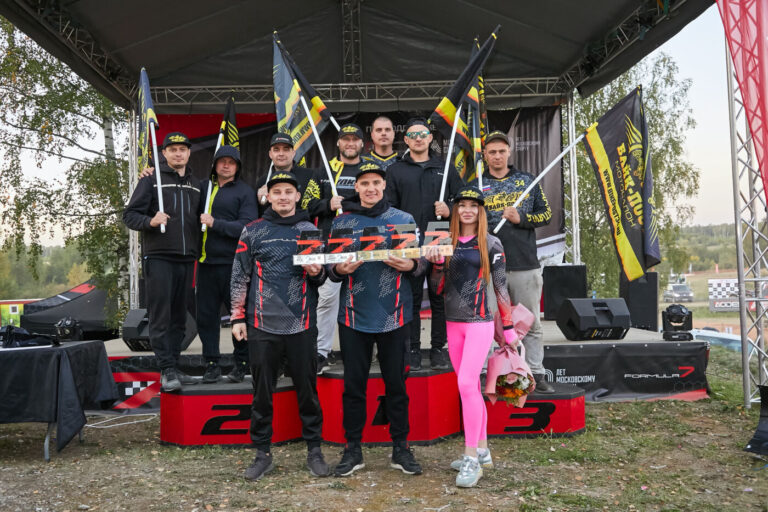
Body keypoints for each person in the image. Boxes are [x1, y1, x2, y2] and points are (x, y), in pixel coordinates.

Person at [230, 171, 330, 481]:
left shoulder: (310, 230)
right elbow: (239, 275)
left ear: (298, 196)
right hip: (261, 324)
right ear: (268, 197)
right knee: (261, 394)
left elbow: (322, 278)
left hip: (302, 323)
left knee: (308, 392)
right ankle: (262, 453)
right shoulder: (252, 230)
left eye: (289, 191)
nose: (283, 196)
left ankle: (314, 450)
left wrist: (316, 272)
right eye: (277, 192)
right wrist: (237, 316)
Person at [329, 162, 425, 478]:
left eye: (376, 183)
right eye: (365, 183)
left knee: (396, 385)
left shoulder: (403, 219)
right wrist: (338, 270)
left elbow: (420, 263)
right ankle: (352, 449)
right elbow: (330, 267)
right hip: (353, 316)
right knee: (353, 387)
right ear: (356, 187)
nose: (371, 188)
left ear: (384, 186)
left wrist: (411, 266)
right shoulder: (342, 221)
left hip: (395, 315)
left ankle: (401, 448)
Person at [424, 185, 519, 488]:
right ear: (455, 210)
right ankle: (482, 450)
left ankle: (470, 459)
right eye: (462, 205)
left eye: (473, 205)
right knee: (470, 388)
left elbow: (501, 288)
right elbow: (437, 289)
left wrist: (508, 328)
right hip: (452, 323)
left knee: (466, 384)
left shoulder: (491, 243)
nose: (467, 210)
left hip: (479, 323)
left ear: (481, 211)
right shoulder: (444, 241)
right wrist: (437, 265)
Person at [123, 132, 201, 392]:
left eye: (182, 149)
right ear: (164, 153)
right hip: (159, 257)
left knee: (180, 318)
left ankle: (174, 366)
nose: (178, 153)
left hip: (187, 258)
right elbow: (130, 215)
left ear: (189, 153)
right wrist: (150, 221)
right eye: (173, 149)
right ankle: (166, 369)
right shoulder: (151, 180)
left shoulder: (196, 183)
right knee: (161, 317)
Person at [386, 118, 465, 370]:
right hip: (406, 236)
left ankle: (438, 348)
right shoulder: (395, 170)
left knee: (438, 296)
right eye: (413, 135)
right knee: (410, 297)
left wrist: (450, 209)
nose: (418, 138)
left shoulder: (445, 167)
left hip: (438, 235)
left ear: (430, 138)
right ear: (406, 140)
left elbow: (463, 201)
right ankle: (412, 348)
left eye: (423, 134)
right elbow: (388, 206)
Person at [481, 130, 554, 393]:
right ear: (485, 155)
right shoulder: (476, 184)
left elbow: (546, 214)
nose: (497, 156)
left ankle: (537, 372)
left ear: (509, 152)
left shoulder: (527, 181)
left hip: (524, 263)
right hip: (488, 266)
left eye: (501, 151)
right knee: (486, 324)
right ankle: (487, 373)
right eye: (492, 152)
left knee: (531, 322)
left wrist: (520, 218)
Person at [303, 123, 365, 374]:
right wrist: (327, 204)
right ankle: (321, 352)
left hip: (364, 243)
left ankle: (364, 351)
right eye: (345, 139)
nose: (350, 143)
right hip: (331, 246)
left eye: (355, 139)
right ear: (338, 143)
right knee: (327, 300)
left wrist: (352, 204)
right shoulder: (324, 171)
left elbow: (382, 201)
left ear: (362, 143)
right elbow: (305, 205)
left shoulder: (370, 169)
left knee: (362, 298)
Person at [196, 145, 259, 383]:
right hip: (205, 264)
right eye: (221, 161)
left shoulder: (244, 191)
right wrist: (151, 171)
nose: (226, 165)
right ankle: (211, 364)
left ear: (237, 166)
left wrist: (216, 223)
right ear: (214, 164)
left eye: (231, 162)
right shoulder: (203, 187)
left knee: (238, 316)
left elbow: (247, 226)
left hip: (235, 265)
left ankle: (241, 364)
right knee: (206, 317)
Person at [254, 132, 318, 217]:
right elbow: (258, 215)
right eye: (276, 149)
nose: (281, 154)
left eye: (286, 149)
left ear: (293, 153)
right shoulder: (263, 181)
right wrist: (261, 202)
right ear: (270, 154)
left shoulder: (310, 176)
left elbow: (316, 208)